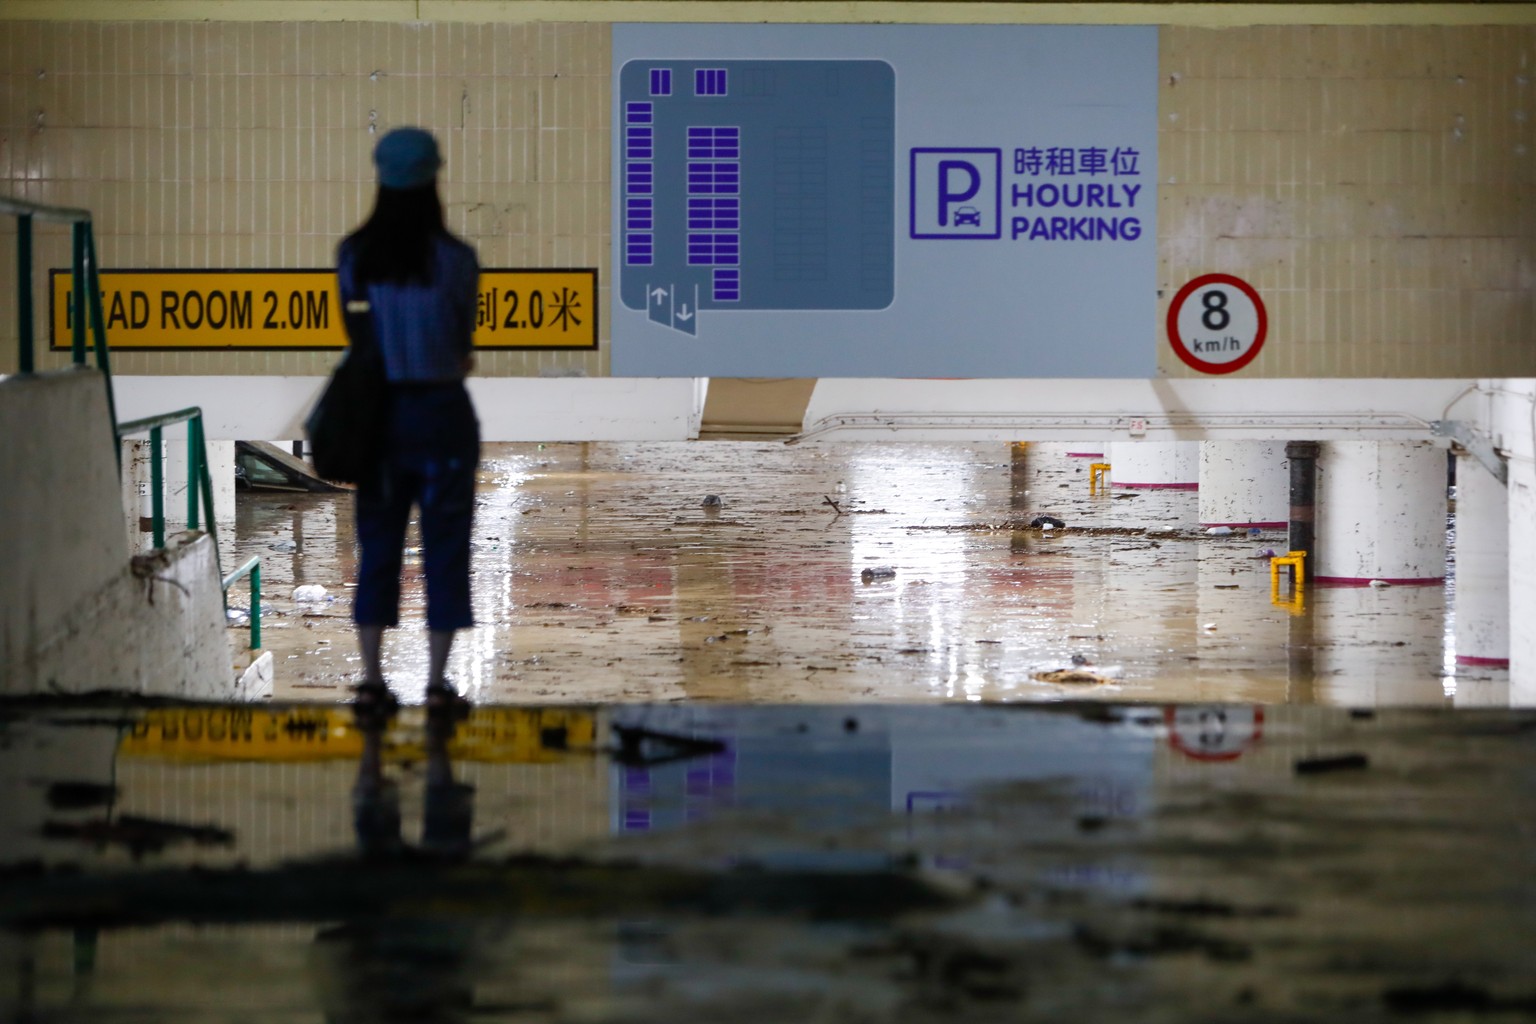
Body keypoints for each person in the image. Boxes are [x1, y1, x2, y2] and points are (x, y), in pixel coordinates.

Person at [338, 126, 480, 711]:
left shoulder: (354, 255)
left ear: (382, 177)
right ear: (433, 179)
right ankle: (438, 684)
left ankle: (372, 680)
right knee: (446, 545)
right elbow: (462, 337)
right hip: (443, 413)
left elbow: (356, 335)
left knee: (379, 543)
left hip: (379, 419)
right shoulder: (457, 259)